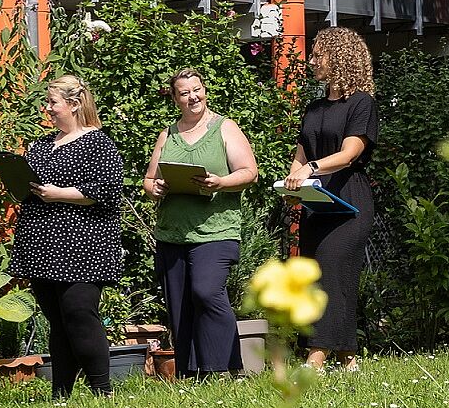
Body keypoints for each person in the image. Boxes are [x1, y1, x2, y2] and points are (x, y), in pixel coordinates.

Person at [8, 75, 125, 397]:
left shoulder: (97, 142)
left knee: (79, 313)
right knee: (58, 321)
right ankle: (60, 394)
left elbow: (110, 190)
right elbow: (30, 188)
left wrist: (60, 193)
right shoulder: (43, 145)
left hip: (84, 243)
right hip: (42, 242)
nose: (47, 109)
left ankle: (103, 389)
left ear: (73, 105)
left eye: (52, 103)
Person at [143, 69, 259, 378]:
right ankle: (193, 373)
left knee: (207, 291)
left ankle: (225, 366)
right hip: (173, 231)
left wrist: (220, 181)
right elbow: (150, 178)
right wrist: (154, 187)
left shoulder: (225, 128)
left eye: (197, 89)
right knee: (179, 304)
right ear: (175, 98)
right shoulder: (168, 134)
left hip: (216, 230)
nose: (193, 96)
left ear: (204, 91)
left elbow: (249, 172)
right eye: (185, 92)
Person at [282, 26, 377, 370]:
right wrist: (292, 180)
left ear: (338, 57)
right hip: (317, 202)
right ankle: (348, 358)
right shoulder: (314, 107)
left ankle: (316, 357)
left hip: (349, 200)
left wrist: (312, 169)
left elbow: (350, 153)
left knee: (333, 269)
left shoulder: (361, 104)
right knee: (321, 274)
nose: (311, 61)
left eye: (318, 54)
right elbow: (301, 152)